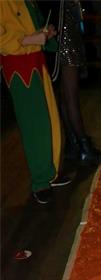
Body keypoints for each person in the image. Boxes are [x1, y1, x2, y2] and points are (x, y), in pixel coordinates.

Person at [0, 0, 72, 204]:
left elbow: (29, 25)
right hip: (19, 67)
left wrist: (44, 33)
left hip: (36, 62)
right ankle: (41, 182)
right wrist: (30, 39)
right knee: (34, 125)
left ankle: (50, 173)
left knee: (49, 119)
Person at [39, 0, 101, 166]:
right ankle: (84, 148)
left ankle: (73, 146)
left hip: (62, 37)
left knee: (65, 97)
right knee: (70, 98)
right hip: (65, 39)